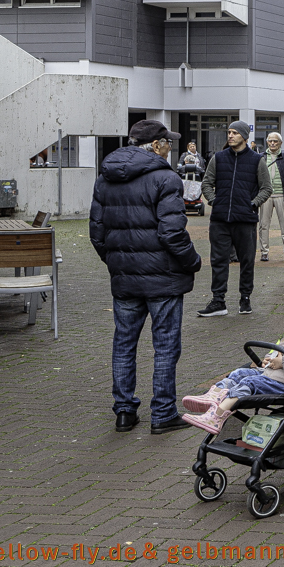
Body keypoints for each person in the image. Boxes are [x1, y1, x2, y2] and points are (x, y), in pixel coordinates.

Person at [90, 119, 202, 434]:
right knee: (165, 345)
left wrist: (117, 262)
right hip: (163, 279)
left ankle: (124, 412)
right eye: (167, 142)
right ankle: (163, 413)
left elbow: (97, 233)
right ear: (155, 146)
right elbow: (171, 233)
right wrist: (192, 261)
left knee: (124, 343)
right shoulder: (166, 178)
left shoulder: (105, 178)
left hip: (125, 279)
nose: (170, 147)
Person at [181, 329, 284, 433]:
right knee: (239, 373)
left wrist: (283, 362)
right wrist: (270, 358)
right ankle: (212, 397)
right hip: (271, 373)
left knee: (250, 383)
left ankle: (217, 416)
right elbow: (282, 346)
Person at [198, 121, 272, 317]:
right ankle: (218, 301)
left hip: (245, 220)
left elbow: (266, 188)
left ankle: (245, 298)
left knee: (247, 261)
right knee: (218, 261)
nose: (230, 136)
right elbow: (206, 183)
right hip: (220, 220)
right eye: (229, 132)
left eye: (234, 133)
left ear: (244, 137)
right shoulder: (219, 158)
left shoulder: (257, 160)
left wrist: (253, 204)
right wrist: (215, 201)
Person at [259, 132, 284, 262]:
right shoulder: (261, 158)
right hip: (265, 196)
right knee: (264, 225)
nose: (272, 143)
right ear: (267, 142)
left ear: (280, 143)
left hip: (282, 195)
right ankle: (264, 252)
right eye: (270, 141)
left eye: (275, 141)